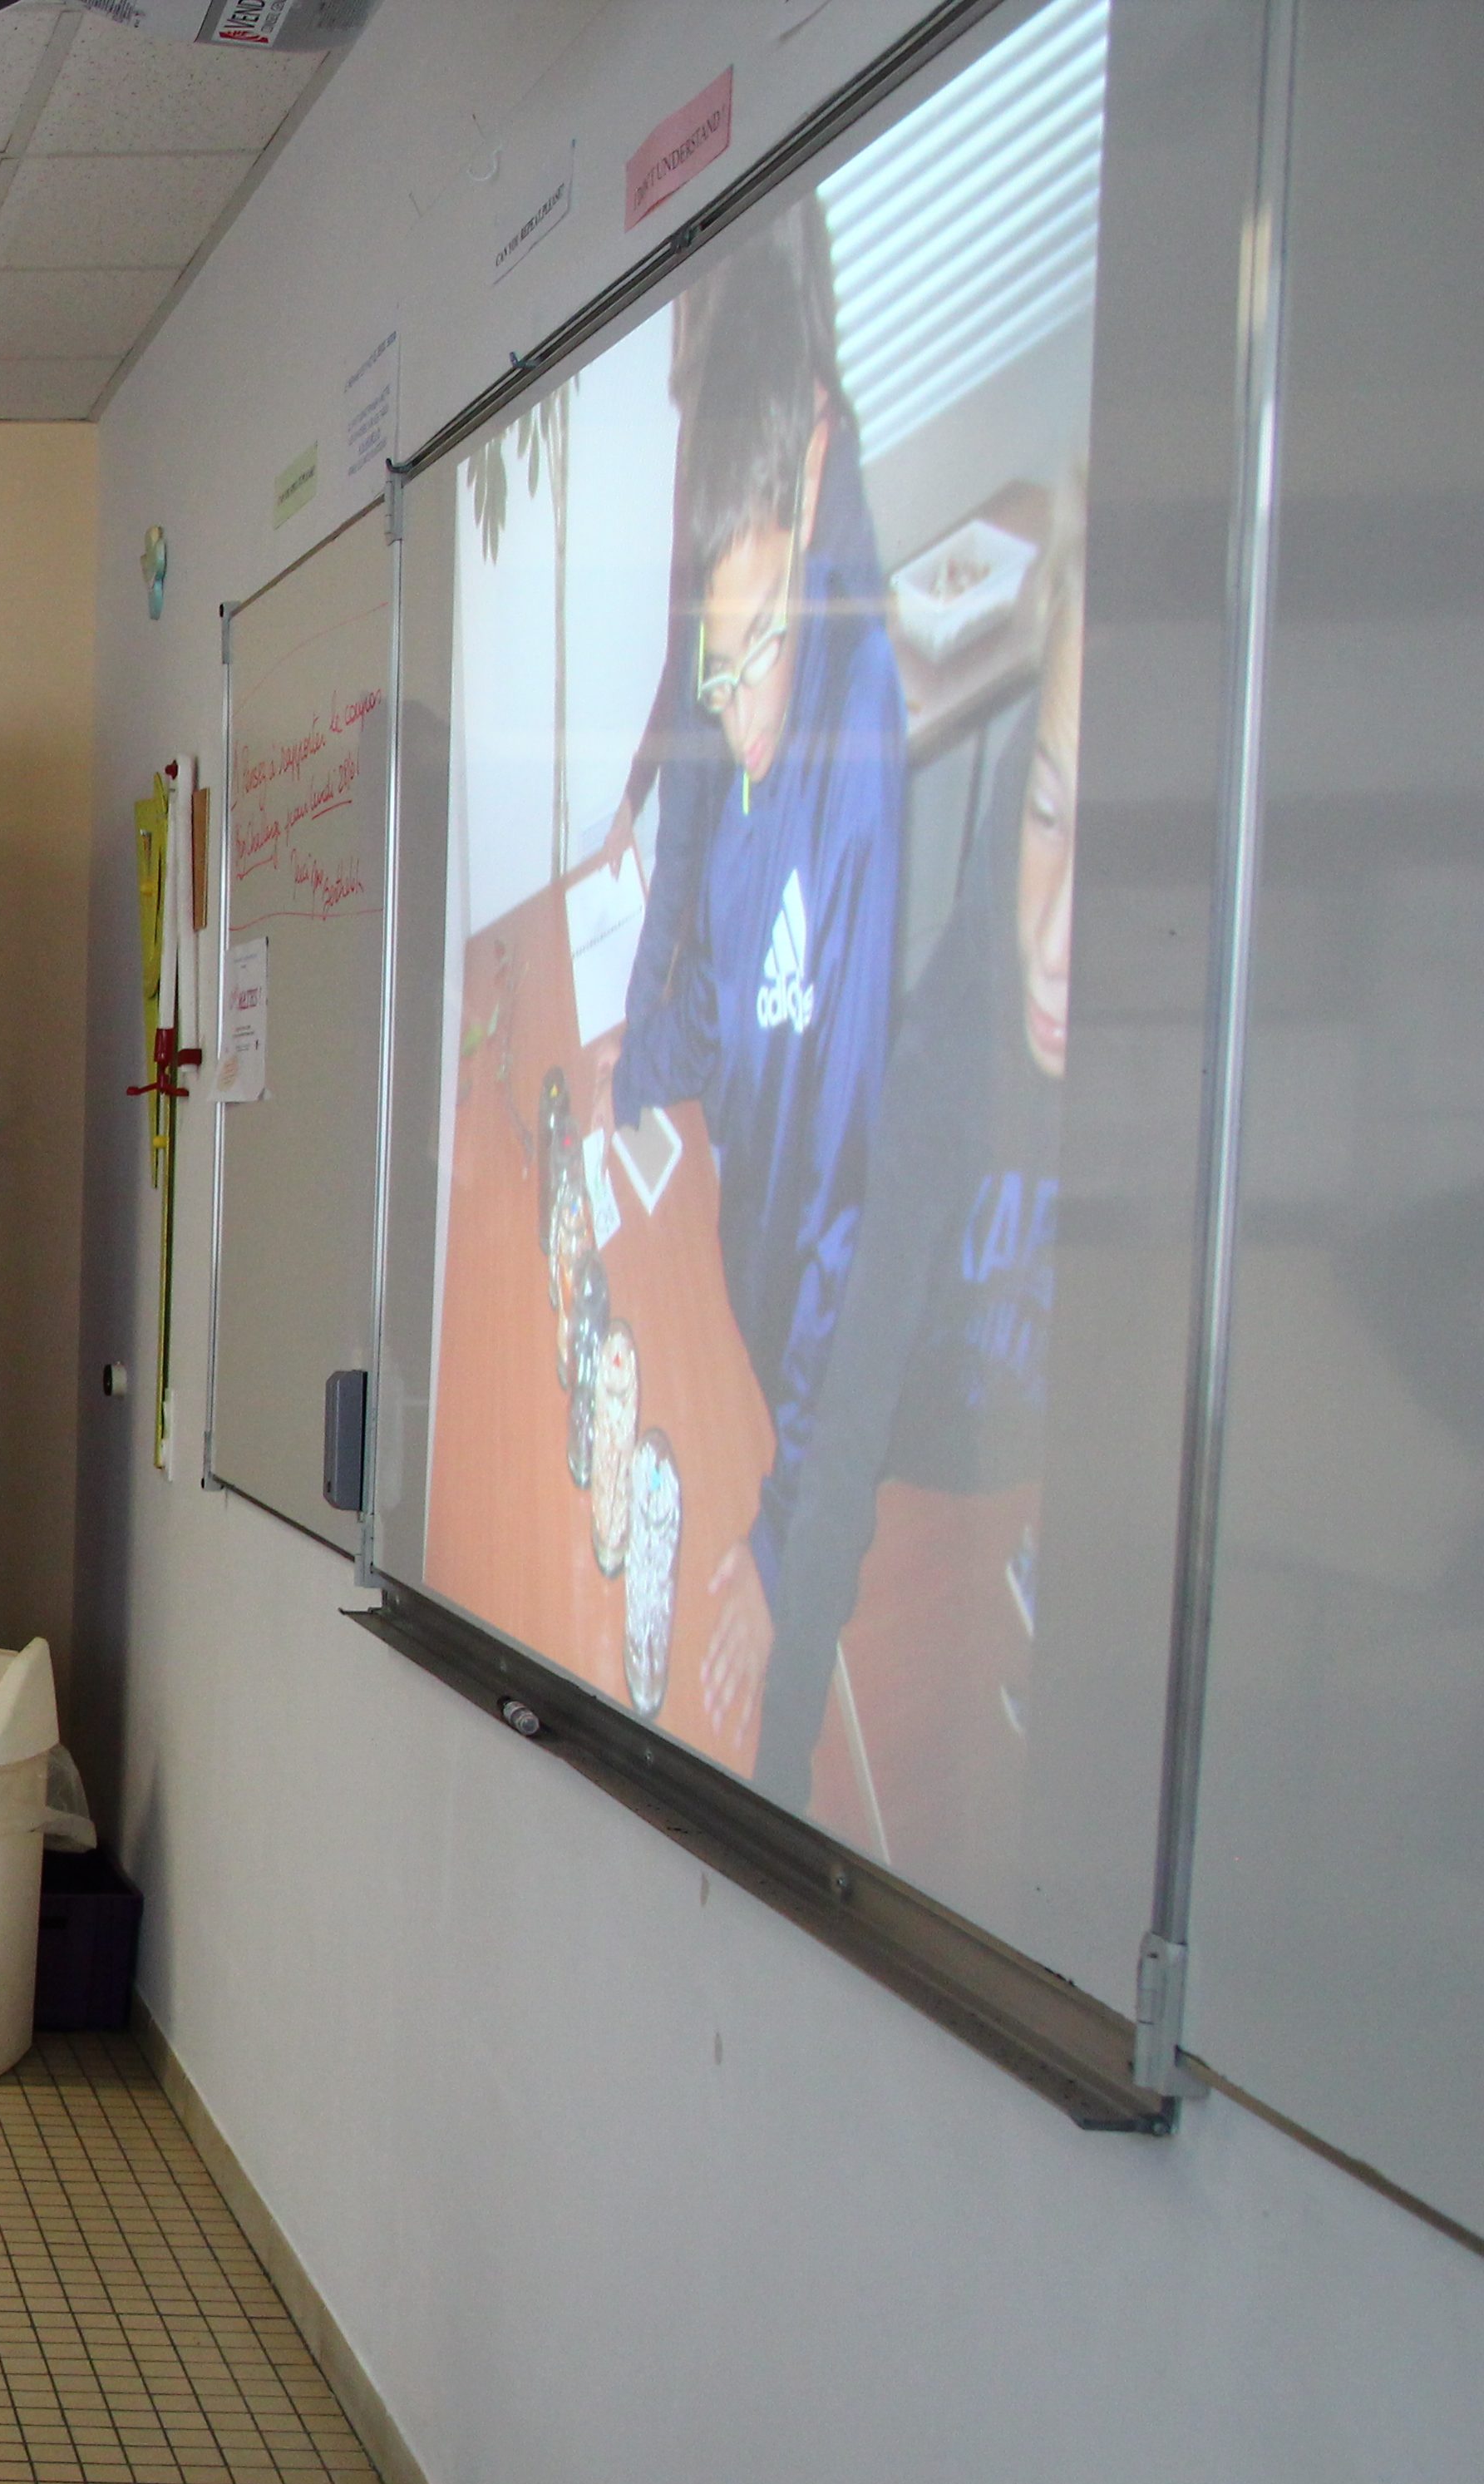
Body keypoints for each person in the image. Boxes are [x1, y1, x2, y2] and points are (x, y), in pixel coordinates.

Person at [594, 202, 906, 1765]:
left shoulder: (862, 774)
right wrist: (640, 1077)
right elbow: (706, 963)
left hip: (844, 1430)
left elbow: (860, 1201)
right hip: (742, 1281)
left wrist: (783, 1550)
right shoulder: (741, 671)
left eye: (753, 657)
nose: (742, 715)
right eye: (718, 677)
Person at [751, 484, 1087, 1808]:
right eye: (1051, 813)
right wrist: (772, 1775)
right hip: (926, 1478)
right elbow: (853, 1399)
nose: (1053, 941)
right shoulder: (954, 1051)